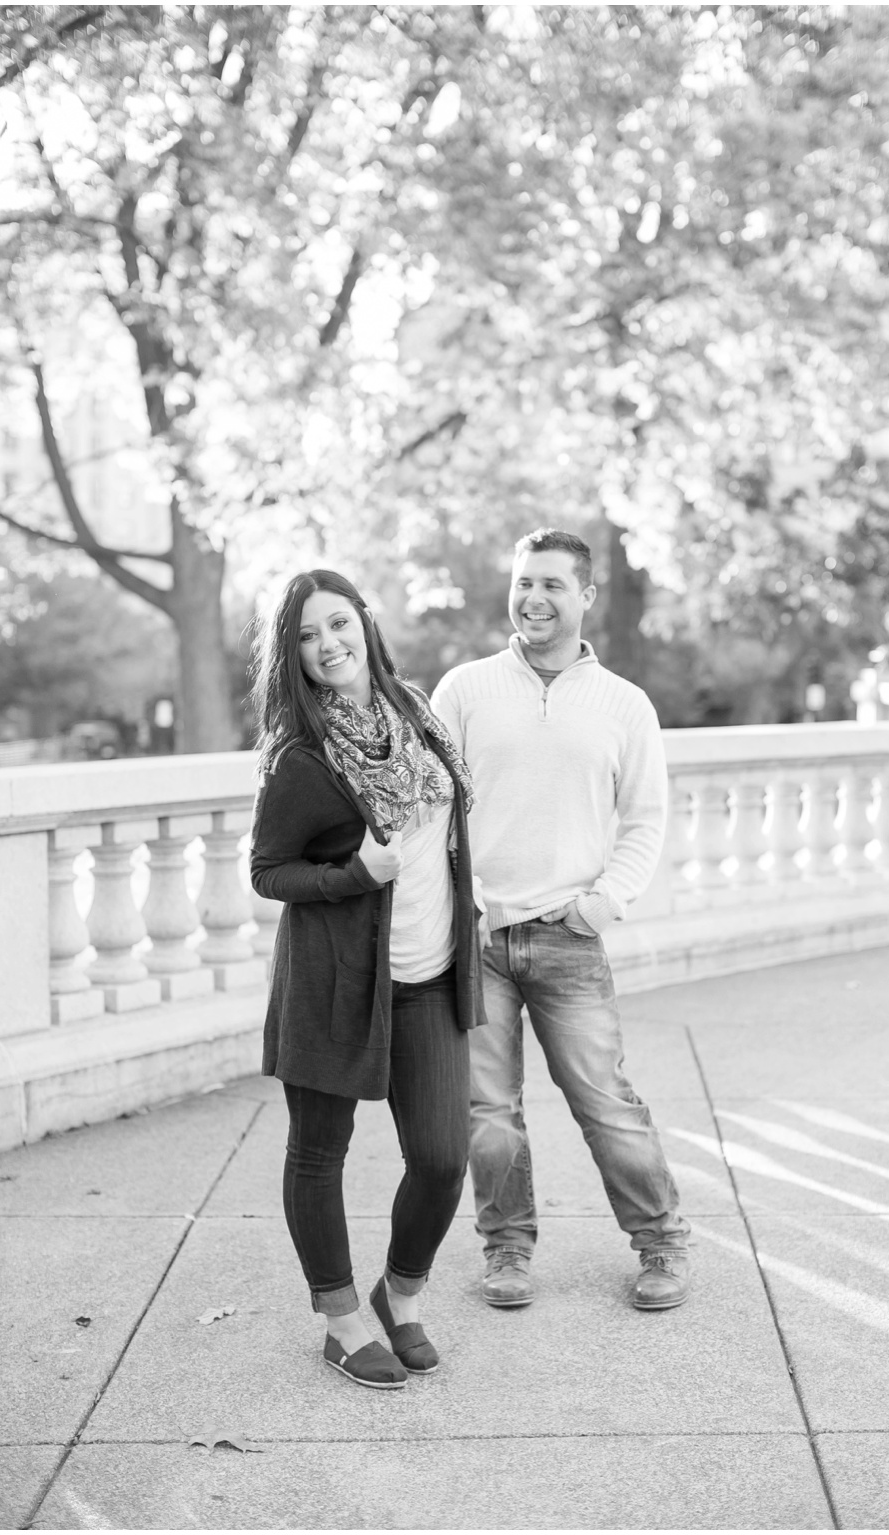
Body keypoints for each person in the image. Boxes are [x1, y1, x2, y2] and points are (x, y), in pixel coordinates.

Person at [430, 528, 690, 1311]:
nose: (533, 598)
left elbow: (645, 820)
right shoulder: (465, 690)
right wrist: (457, 902)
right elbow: (432, 808)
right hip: (478, 938)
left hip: (569, 935)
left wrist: (600, 905)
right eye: (523, 582)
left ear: (584, 596)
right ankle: (506, 1248)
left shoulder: (623, 704)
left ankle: (663, 1242)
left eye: (551, 584)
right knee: (488, 1116)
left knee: (606, 1105)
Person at [249, 569, 482, 1390]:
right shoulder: (301, 757)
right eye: (308, 635)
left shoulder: (414, 712)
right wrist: (354, 871)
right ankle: (342, 1320)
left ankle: (401, 1291)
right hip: (337, 981)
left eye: (337, 623)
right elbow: (268, 872)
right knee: (319, 1152)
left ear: (364, 623)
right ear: (294, 652)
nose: (327, 645)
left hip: (432, 970)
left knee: (445, 1158)